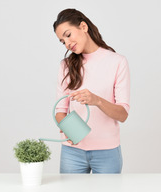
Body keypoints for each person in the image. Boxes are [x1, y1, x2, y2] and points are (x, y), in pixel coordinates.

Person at [53, 8, 130, 174]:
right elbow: (60, 111)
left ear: (83, 27)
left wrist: (97, 100)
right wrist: (70, 131)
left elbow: (123, 115)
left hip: (107, 152)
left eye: (68, 35)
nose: (67, 43)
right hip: (72, 152)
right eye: (62, 41)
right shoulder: (65, 66)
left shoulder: (117, 62)